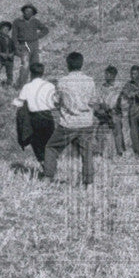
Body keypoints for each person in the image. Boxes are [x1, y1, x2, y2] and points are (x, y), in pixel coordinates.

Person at [43, 52, 96, 185]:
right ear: (82, 64)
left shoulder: (62, 81)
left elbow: (56, 101)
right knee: (87, 153)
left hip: (68, 124)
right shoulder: (90, 81)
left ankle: (48, 177)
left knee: (51, 148)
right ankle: (88, 183)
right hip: (86, 122)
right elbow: (93, 101)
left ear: (68, 65)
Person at [13, 61, 58, 166]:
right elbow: (55, 101)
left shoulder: (27, 87)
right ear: (42, 73)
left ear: (31, 73)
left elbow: (19, 103)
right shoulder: (49, 86)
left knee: (37, 144)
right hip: (47, 116)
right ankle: (50, 165)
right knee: (48, 142)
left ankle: (44, 164)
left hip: (34, 118)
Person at [12, 3, 49, 88]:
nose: (28, 13)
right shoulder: (17, 22)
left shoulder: (35, 21)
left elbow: (46, 30)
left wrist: (37, 36)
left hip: (34, 45)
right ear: (23, 11)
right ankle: (21, 86)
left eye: (30, 11)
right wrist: (16, 47)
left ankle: (35, 86)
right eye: (26, 11)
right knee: (25, 66)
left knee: (35, 65)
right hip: (23, 45)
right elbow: (14, 36)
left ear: (33, 13)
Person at [95, 65, 125, 157]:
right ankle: (100, 152)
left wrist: (112, 110)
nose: (105, 76)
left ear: (113, 75)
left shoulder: (118, 87)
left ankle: (120, 152)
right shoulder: (102, 87)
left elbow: (119, 101)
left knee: (117, 133)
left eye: (108, 74)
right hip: (104, 113)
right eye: (105, 73)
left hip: (115, 113)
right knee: (100, 133)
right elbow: (99, 99)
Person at [0, 21, 17, 86]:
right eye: (4, 29)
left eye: (7, 29)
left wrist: (12, 54)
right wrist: (1, 54)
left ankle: (9, 83)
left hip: (9, 59)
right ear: (0, 30)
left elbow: (14, 49)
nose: (6, 31)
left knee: (9, 72)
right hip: (0, 59)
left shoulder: (11, 40)